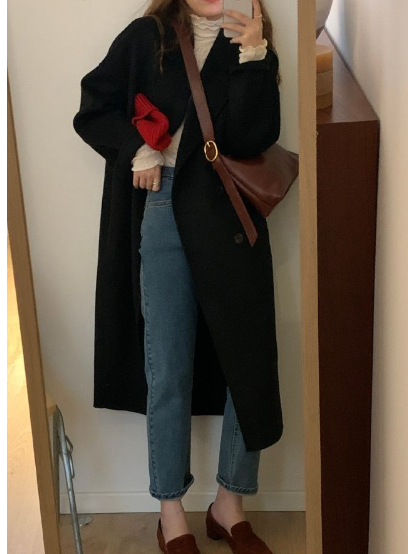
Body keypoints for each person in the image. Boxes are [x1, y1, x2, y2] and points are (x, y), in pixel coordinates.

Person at [73, 1, 283, 553]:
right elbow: (93, 107)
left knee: (247, 363)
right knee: (167, 367)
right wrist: (136, 149)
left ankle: (229, 505)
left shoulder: (251, 36)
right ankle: (171, 514)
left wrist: (254, 54)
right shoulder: (149, 36)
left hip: (229, 213)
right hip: (165, 208)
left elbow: (254, 137)